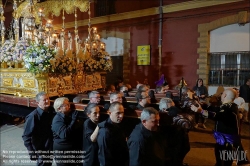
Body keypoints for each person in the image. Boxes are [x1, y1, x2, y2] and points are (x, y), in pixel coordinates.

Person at [191, 88, 249, 166]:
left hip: (227, 142)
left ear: (225, 95)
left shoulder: (229, 108)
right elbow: (216, 109)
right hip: (224, 140)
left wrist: (200, 111)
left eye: (222, 94)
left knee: (224, 162)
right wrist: (204, 106)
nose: (221, 95)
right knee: (221, 161)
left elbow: (217, 115)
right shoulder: (228, 106)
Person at [22, 92, 55, 166]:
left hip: (49, 146)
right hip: (40, 149)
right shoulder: (33, 117)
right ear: (38, 102)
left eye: (48, 99)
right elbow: (26, 136)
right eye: (44, 100)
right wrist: (31, 152)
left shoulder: (49, 112)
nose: (47, 101)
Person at [97, 102, 129, 166]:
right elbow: (104, 158)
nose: (121, 116)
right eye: (118, 113)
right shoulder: (105, 131)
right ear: (109, 113)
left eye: (122, 112)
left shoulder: (119, 124)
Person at [51, 97, 79, 166]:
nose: (69, 106)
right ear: (59, 109)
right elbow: (64, 134)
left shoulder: (67, 116)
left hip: (70, 148)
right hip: (62, 151)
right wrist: (73, 121)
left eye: (68, 104)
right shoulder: (57, 120)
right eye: (65, 105)